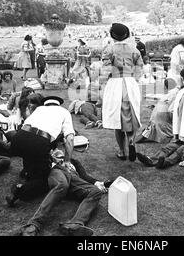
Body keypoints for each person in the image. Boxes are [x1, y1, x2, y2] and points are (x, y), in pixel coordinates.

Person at [11, 96, 101, 236]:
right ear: (59, 105)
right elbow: (69, 139)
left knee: (95, 191)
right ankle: (34, 223)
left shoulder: (39, 110)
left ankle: (75, 224)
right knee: (61, 184)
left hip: (19, 139)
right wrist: (66, 160)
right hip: (53, 165)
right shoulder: (63, 112)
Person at [102, 23, 143, 162]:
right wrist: (133, 79)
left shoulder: (109, 49)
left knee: (117, 119)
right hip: (130, 82)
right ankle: (131, 140)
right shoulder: (134, 49)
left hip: (116, 82)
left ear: (112, 35)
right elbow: (140, 67)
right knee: (131, 114)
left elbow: (106, 69)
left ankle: (121, 151)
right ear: (126, 35)